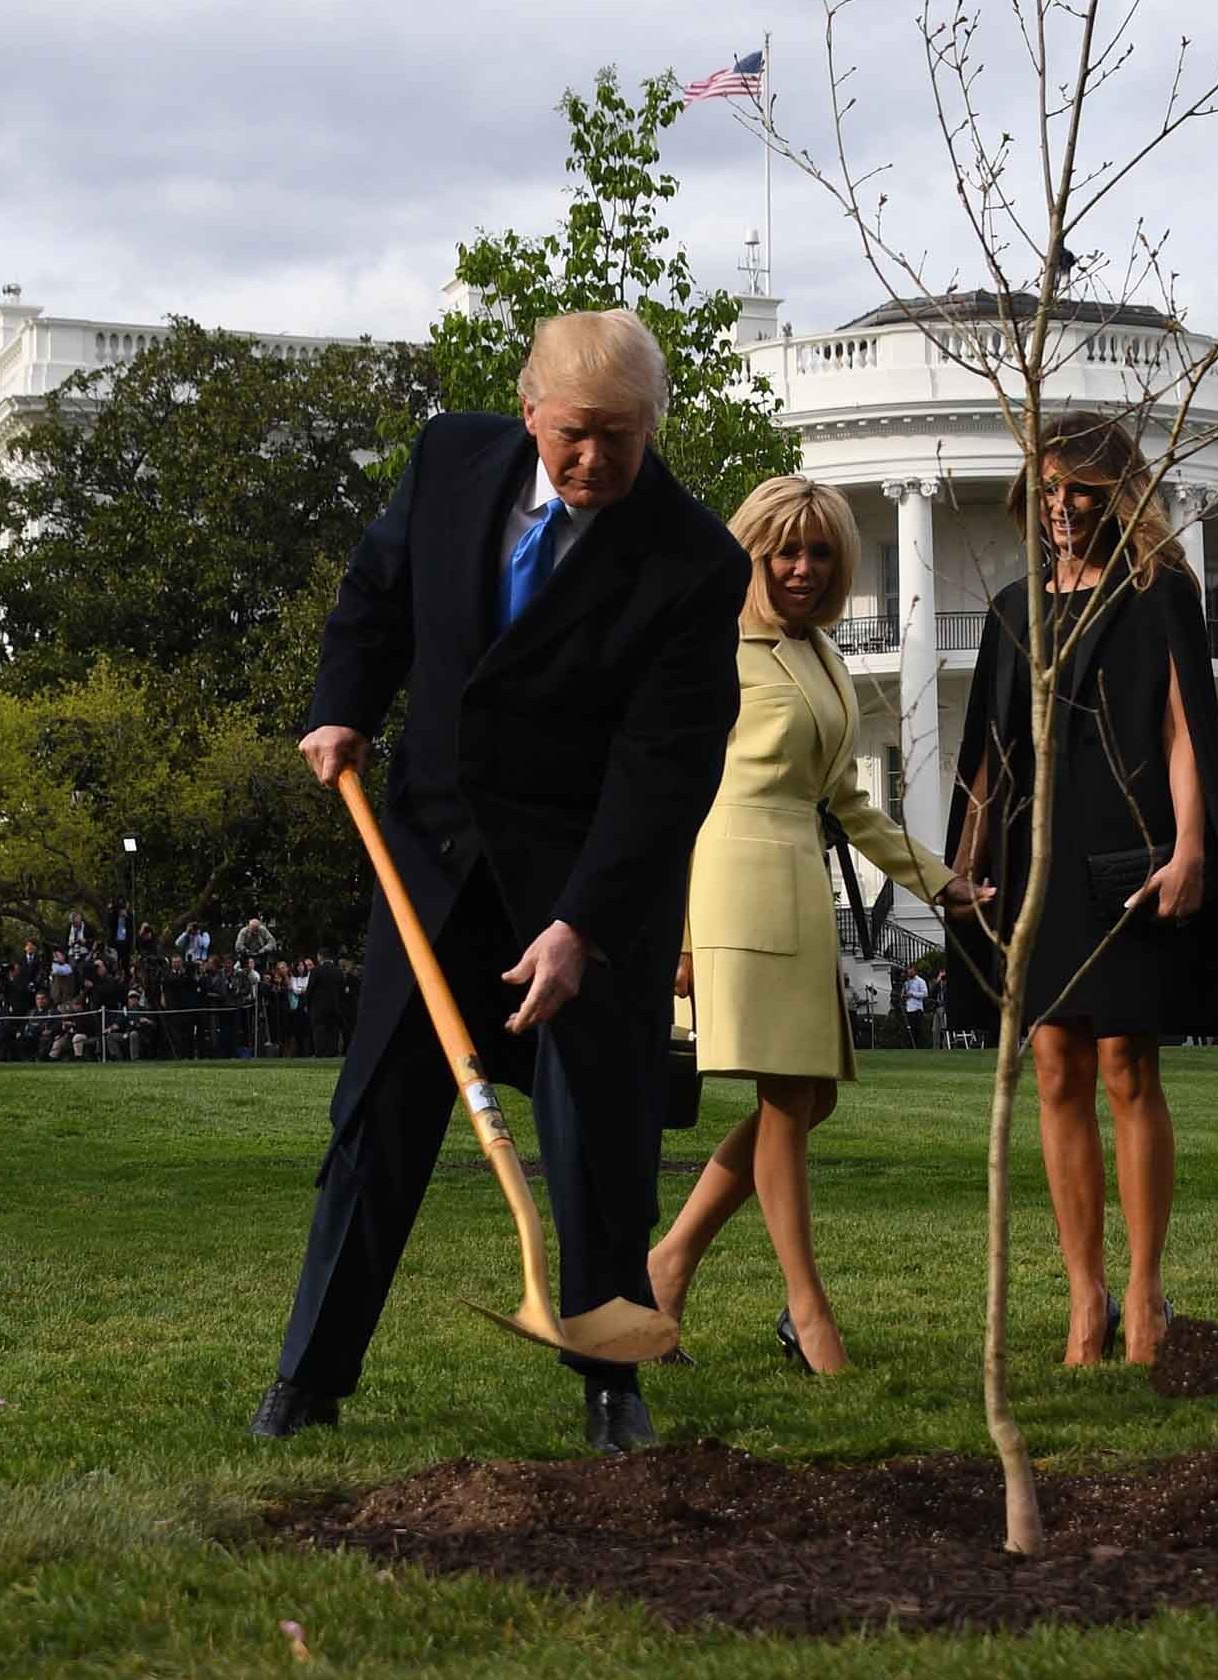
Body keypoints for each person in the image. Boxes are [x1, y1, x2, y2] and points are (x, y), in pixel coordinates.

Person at [253, 309, 747, 1454]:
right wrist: (340, 705)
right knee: (377, 1119)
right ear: (530, 411)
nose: (593, 460)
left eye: (620, 438)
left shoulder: (693, 562)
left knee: (600, 1140)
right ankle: (308, 1379)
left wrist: (583, 920)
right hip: (428, 860)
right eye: (574, 433)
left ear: (651, 428)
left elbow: (665, 772)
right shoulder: (448, 461)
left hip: (584, 883)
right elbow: (374, 598)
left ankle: (610, 1384)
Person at [946, 411, 1218, 1365]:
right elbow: (986, 750)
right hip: (1035, 857)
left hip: (1127, 850)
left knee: (1131, 1067)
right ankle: (1083, 1300)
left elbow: (1183, 729)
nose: (1060, 508)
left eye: (1079, 490)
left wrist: (1190, 850)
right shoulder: (1015, 609)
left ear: (1118, 491)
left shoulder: (1157, 592)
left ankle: (1144, 1295)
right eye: (1047, 490)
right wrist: (967, 863)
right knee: (1055, 1067)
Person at [650, 476, 991, 1377]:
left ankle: (668, 1266)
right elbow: (672, 793)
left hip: (803, 885)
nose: (802, 569)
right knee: (787, 1100)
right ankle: (808, 1310)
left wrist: (942, 881)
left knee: (812, 1099)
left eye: (820, 553)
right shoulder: (715, 647)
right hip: (729, 880)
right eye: (784, 552)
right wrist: (677, 934)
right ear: (753, 553)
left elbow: (847, 802)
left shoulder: (823, 655)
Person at [901, 967, 931, 1049]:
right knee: (908, 1031)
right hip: (908, 1008)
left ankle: (918, 1047)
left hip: (917, 1009)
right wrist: (904, 996)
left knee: (917, 1030)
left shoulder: (920, 981)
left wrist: (913, 994)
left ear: (915, 971)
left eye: (911, 971)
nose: (909, 973)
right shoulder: (906, 982)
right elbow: (904, 994)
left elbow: (925, 994)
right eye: (909, 971)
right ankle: (909, 1047)